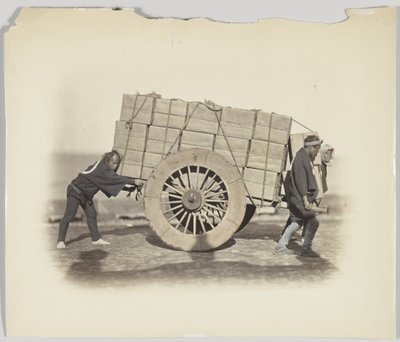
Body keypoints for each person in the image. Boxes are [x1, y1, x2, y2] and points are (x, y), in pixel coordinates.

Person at [56, 150, 143, 249]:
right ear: (107, 161)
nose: (115, 166)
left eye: (117, 164)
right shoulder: (101, 168)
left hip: (85, 196)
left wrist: (128, 188)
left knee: (92, 214)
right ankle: (60, 241)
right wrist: (134, 181)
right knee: (69, 216)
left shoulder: (104, 171)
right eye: (113, 163)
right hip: (75, 191)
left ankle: (96, 239)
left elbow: (110, 182)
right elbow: (115, 179)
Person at [274, 135, 322, 257]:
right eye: (317, 149)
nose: (317, 153)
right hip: (300, 199)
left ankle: (281, 245)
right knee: (313, 221)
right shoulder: (301, 159)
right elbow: (301, 182)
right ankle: (306, 248)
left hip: (299, 198)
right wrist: (305, 200)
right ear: (311, 147)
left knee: (297, 221)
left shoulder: (302, 157)